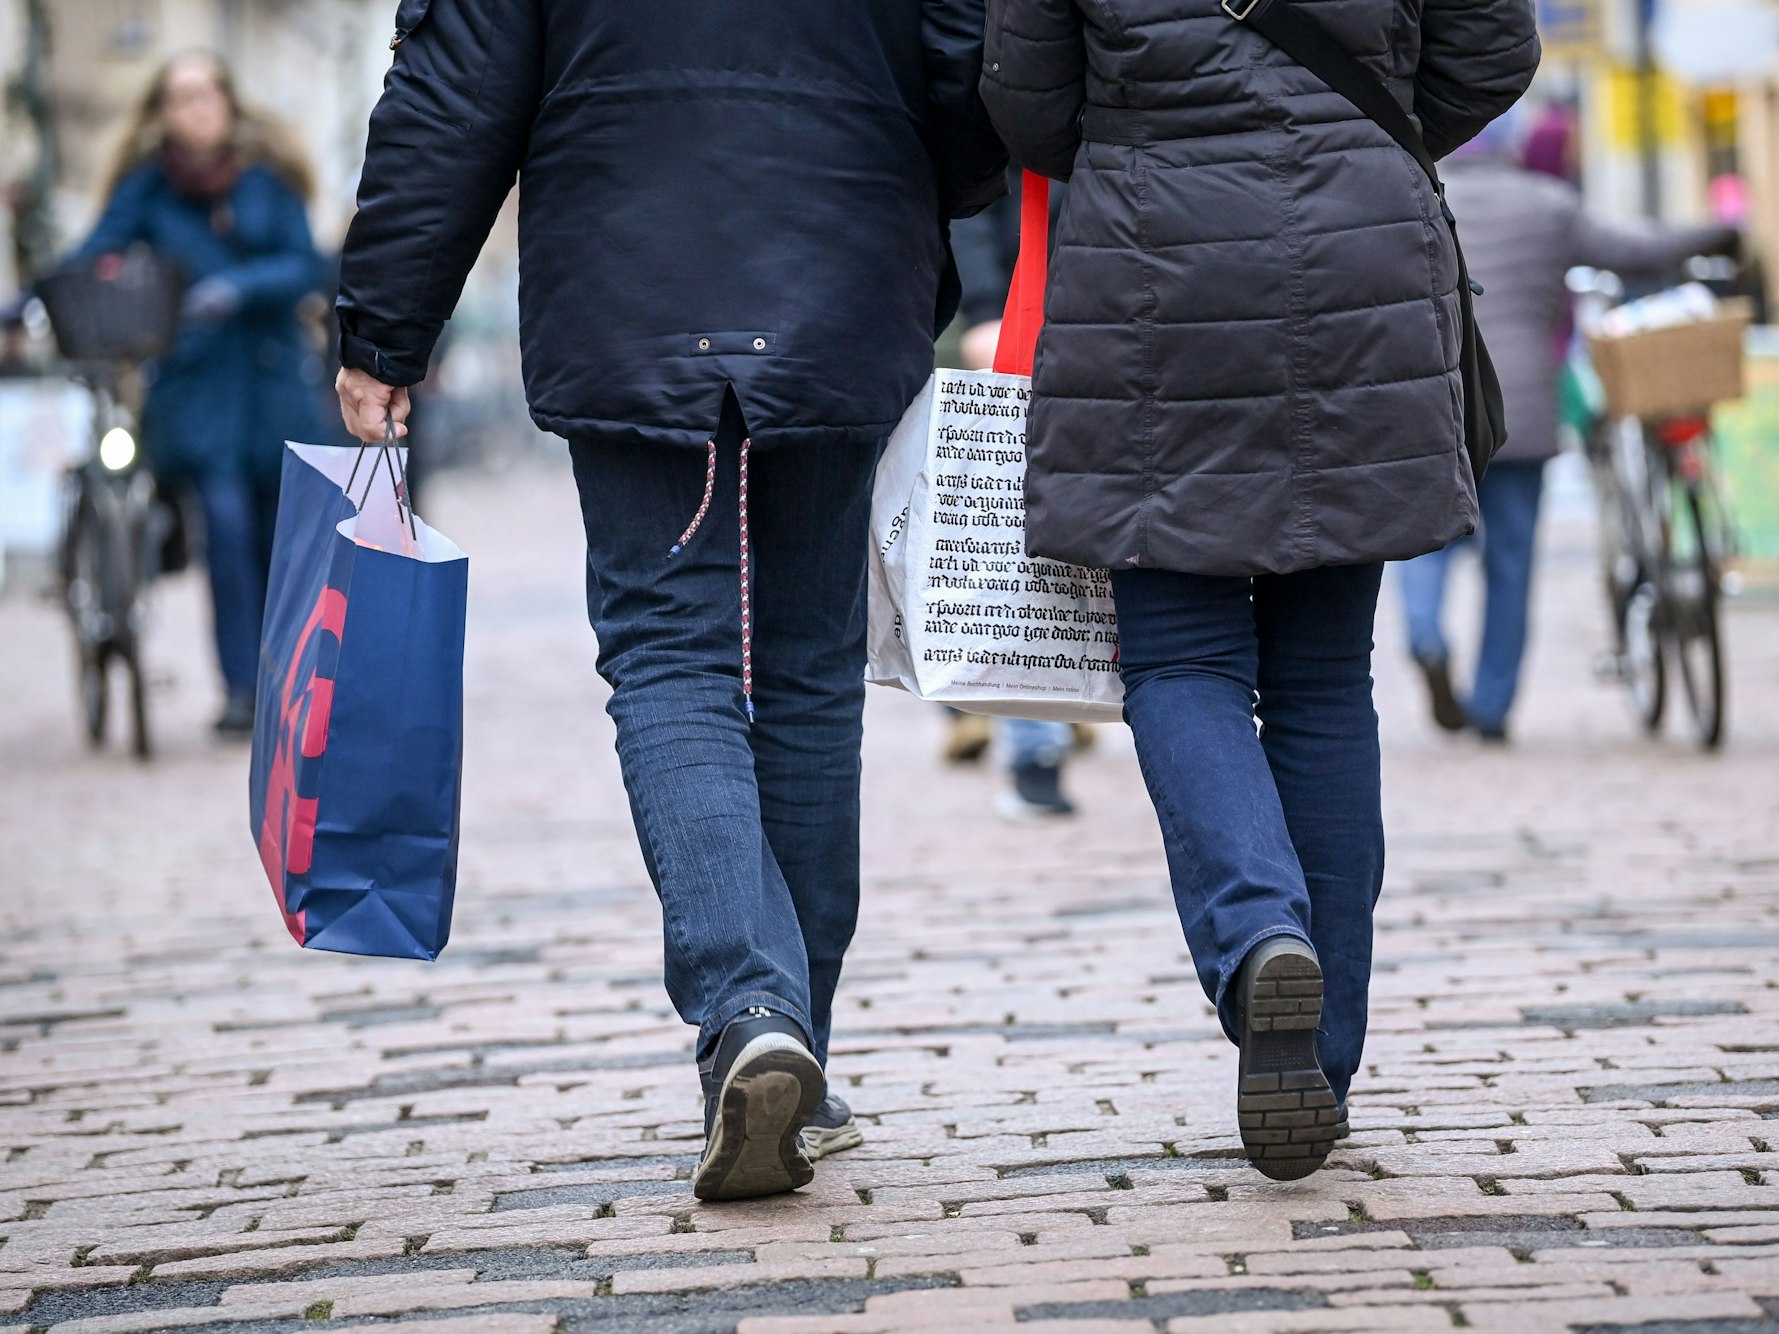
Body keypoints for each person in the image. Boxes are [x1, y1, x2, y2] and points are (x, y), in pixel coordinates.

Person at [334, 2, 1005, 1201]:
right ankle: (797, 1040)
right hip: (845, 250)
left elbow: (454, 87)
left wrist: (387, 323)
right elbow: (970, 60)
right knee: (807, 663)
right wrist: (938, 209)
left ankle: (752, 1007)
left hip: (632, 271)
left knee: (670, 655)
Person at [982, 0, 1539, 1179]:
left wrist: (1158, 142)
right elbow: (1493, 53)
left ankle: (1258, 935)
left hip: (1152, 274)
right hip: (1362, 254)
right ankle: (1320, 1054)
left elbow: (1026, 100)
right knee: (1327, 682)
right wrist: (1354, 129)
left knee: (1179, 659)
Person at [1399, 114, 1739, 742]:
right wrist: (1718, 230)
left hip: (1436, 402)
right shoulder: (1548, 203)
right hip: (1522, 409)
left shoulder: (1417, 192)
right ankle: (1493, 708)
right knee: (1512, 562)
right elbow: (1636, 250)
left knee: (1427, 541)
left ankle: (1426, 637)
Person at [70, 52, 325, 735]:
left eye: (208, 93)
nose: (198, 107)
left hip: (271, 383)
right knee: (226, 527)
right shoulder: (146, 190)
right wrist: (30, 298)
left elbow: (307, 264)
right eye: (182, 96)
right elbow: (94, 254)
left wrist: (238, 288)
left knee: (286, 541)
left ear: (228, 101)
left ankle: (291, 681)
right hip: (196, 389)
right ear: (163, 111)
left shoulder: (268, 182)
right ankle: (243, 689)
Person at [945, 172, 1081, 821]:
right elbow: (979, 208)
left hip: (1094, 335)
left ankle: (1051, 723)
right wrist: (986, 310)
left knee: (1043, 549)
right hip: (1030, 337)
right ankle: (1036, 748)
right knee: (1027, 548)